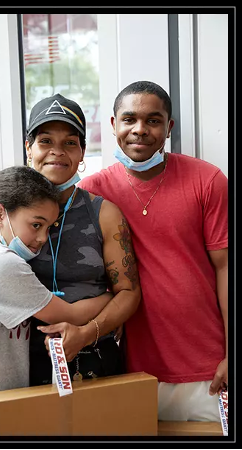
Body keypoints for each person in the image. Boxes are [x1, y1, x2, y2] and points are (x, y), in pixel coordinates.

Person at [76, 81, 228, 421]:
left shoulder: (207, 180)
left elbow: (226, 268)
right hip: (134, 373)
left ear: (168, 128)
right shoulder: (91, 192)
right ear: (114, 125)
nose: (139, 130)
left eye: (153, 120)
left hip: (212, 369)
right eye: (129, 119)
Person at [0, 166, 115, 436]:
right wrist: (111, 295)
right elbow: (70, 315)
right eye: (36, 225)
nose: (41, 239)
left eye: (49, 228)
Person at [20, 94, 141, 387]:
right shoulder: (4, 211)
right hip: (21, 361)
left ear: (83, 151)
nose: (57, 152)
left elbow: (129, 292)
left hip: (93, 357)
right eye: (45, 141)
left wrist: (87, 333)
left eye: (70, 143)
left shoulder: (104, 212)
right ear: (29, 148)